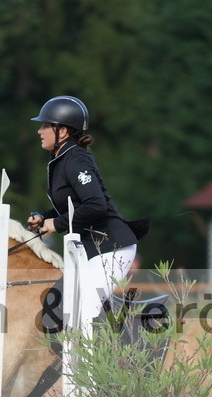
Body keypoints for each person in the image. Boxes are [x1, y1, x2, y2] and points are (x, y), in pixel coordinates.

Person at [26, 95, 145, 320]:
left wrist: (57, 224)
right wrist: (44, 217)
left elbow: (96, 205)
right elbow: (73, 207)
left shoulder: (75, 160)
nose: (39, 131)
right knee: (60, 301)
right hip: (92, 248)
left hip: (112, 247)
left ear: (62, 131)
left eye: (45, 126)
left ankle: (91, 356)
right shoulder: (62, 159)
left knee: (85, 308)